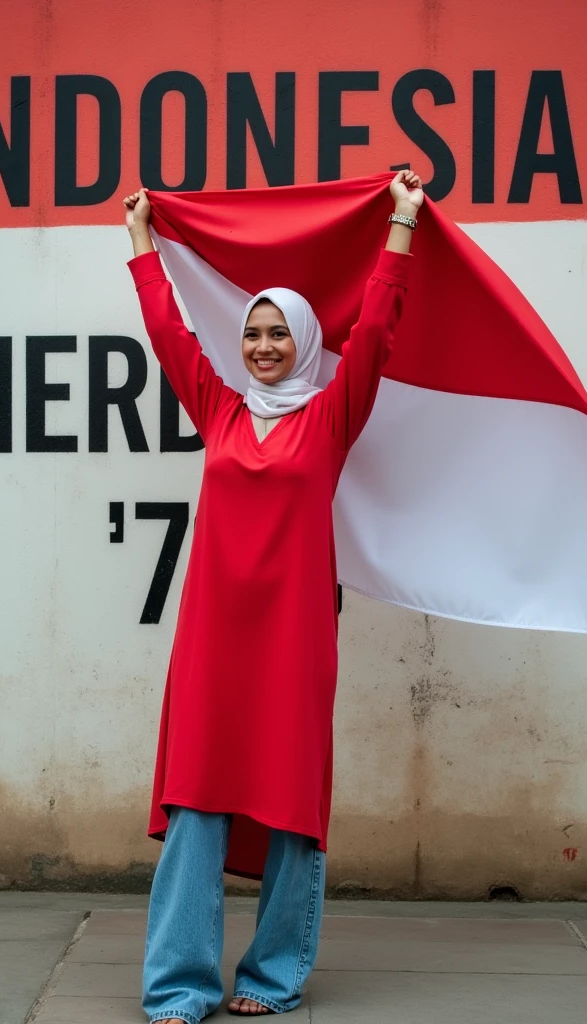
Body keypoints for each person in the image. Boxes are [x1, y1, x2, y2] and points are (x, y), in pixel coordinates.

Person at [123, 169, 424, 1024]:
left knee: (292, 811)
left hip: (294, 642)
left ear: (301, 340)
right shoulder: (217, 409)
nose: (261, 346)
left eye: (276, 334)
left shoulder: (328, 420)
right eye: (252, 333)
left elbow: (376, 333)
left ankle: (272, 976)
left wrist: (400, 225)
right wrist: (142, 241)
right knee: (194, 804)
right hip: (214, 642)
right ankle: (179, 985)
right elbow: (166, 330)